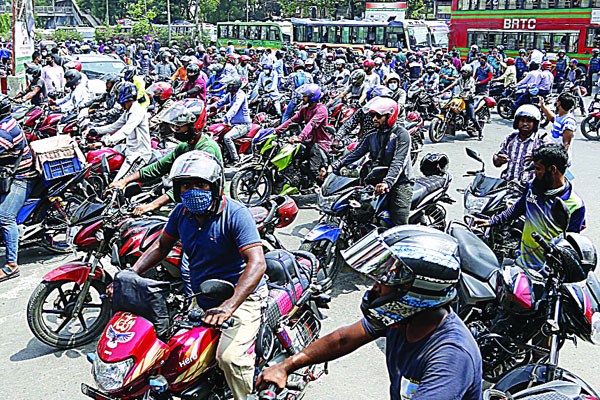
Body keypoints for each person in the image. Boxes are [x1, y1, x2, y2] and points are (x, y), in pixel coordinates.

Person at [257, 225, 482, 400]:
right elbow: (342, 340)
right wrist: (286, 366)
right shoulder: (402, 320)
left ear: (418, 289)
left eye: (385, 281)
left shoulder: (450, 358)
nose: (375, 287)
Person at [127, 150, 267, 400]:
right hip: (201, 295)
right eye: (185, 186)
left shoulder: (236, 213)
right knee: (175, 353)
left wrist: (229, 305)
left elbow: (257, 264)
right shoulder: (180, 214)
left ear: (215, 186)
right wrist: (131, 274)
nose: (192, 191)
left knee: (230, 358)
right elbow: (161, 247)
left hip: (241, 298)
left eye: (200, 185)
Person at [476, 144, 585, 272]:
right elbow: (518, 208)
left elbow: (571, 245)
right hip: (522, 263)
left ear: (553, 169)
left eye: (538, 169)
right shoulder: (533, 187)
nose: (534, 172)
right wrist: (492, 221)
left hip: (547, 272)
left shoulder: (575, 205)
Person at [111, 102, 222, 216]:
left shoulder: (206, 149)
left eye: (179, 125)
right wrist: (124, 181)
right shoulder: (184, 146)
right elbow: (158, 167)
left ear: (195, 125)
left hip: (206, 206)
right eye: (175, 125)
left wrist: (152, 205)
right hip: (189, 201)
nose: (175, 129)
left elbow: (191, 186)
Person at [326, 97, 414, 226]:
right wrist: (333, 166)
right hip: (376, 180)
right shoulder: (372, 135)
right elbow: (355, 153)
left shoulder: (401, 134)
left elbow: (399, 161)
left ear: (390, 116)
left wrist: (387, 182)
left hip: (400, 182)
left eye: (379, 116)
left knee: (398, 223)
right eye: (373, 115)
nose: (374, 119)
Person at [0, 96, 37, 283]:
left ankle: (12, 265)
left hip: (21, 178)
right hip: (6, 173)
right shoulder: (5, 122)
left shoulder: (5, 132)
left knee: (5, 217)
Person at [86, 83, 153, 182]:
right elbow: (114, 126)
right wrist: (95, 130)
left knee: (116, 184)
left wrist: (105, 142)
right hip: (129, 148)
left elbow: (126, 130)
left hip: (139, 154)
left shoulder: (138, 110)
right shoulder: (128, 111)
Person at [274, 84, 331, 187]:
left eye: (305, 96)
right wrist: (277, 131)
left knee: (313, 169)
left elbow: (311, 124)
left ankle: (322, 187)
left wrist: (299, 138)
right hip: (310, 141)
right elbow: (292, 120)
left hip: (321, 143)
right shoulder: (305, 109)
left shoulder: (321, 109)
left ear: (312, 97)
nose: (302, 98)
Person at [493, 105, 545, 182]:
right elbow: (496, 160)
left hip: (530, 187)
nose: (524, 124)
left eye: (529, 121)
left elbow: (555, 160)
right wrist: (499, 159)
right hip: (508, 185)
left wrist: (538, 159)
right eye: (522, 120)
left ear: (535, 124)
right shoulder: (510, 139)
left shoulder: (542, 140)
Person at [214, 76, 252, 166]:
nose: (228, 86)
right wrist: (206, 109)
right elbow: (220, 102)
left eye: (230, 84)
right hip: (233, 124)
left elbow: (234, 108)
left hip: (243, 125)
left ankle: (235, 159)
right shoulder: (231, 94)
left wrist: (224, 118)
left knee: (227, 138)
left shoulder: (240, 95)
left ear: (236, 85)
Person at [441, 65, 483, 139]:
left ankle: (480, 132)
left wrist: (466, 95)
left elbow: (469, 88)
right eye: (463, 72)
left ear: (469, 73)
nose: (464, 74)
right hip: (460, 98)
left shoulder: (471, 80)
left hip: (469, 99)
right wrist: (442, 91)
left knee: (472, 117)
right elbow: (452, 85)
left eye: (465, 72)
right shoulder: (460, 79)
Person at [538, 93, 577, 162]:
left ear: (558, 103)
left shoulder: (568, 121)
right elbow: (553, 119)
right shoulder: (560, 116)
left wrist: (561, 160)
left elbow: (566, 144)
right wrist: (543, 106)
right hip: (552, 153)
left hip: (557, 157)